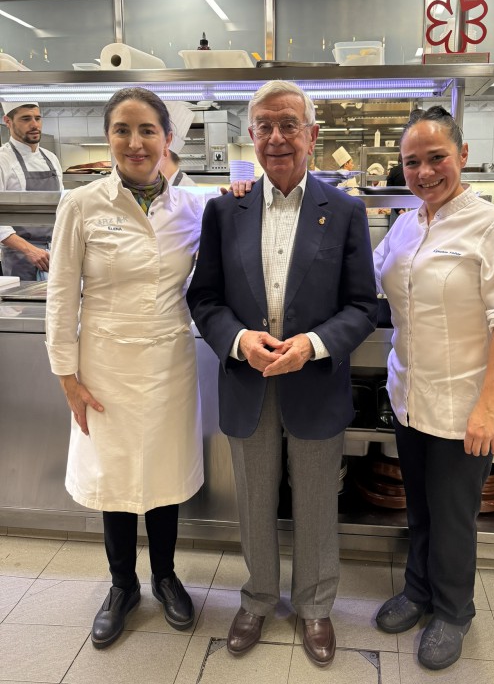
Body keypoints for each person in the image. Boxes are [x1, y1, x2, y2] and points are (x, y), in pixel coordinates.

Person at [186, 80, 378, 668]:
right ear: (251, 135)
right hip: (248, 381)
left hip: (314, 381)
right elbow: (205, 298)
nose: (276, 137)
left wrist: (315, 345)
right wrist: (240, 340)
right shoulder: (225, 209)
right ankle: (258, 598)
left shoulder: (343, 209)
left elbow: (362, 306)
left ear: (312, 135)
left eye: (289, 124)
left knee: (319, 498)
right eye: (265, 125)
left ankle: (315, 606)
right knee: (254, 498)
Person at [373, 106, 494, 671]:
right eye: (411, 162)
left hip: (466, 403)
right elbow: (374, 279)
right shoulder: (406, 223)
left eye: (436, 158)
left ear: (462, 156)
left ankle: (452, 609)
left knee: (454, 513)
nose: (424, 172)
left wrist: (490, 406)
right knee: (419, 506)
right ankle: (418, 591)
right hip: (409, 396)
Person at [46, 87, 204, 649]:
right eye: (122, 130)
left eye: (146, 131)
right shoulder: (83, 204)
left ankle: (165, 576)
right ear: (109, 137)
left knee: (162, 478)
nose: (135, 143)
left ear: (166, 139)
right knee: (114, 480)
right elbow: (62, 293)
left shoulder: (193, 206)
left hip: (169, 362)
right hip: (104, 365)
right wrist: (67, 374)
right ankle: (121, 585)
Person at [0, 101, 63, 280]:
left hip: (54, 252)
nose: (34, 125)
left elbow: (60, 207)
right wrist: (29, 250)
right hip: (19, 256)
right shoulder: (2, 160)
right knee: (23, 307)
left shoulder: (51, 158)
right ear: (8, 121)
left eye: (37, 118)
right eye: (26, 119)